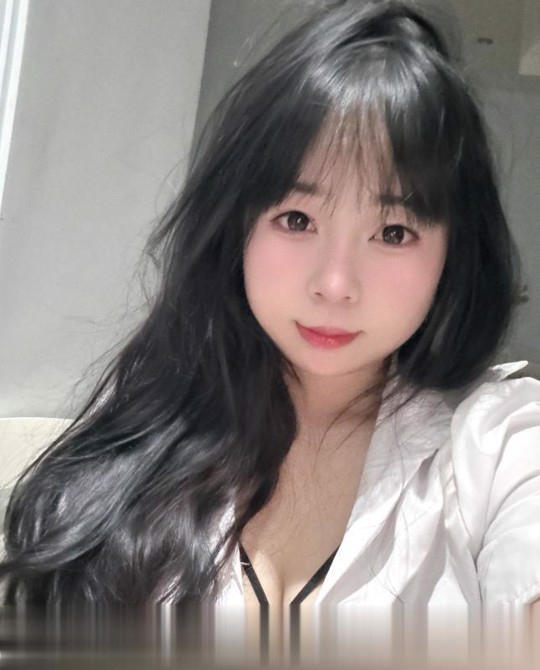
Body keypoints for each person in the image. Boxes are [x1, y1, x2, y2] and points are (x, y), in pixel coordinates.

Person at [1, 0, 539, 665]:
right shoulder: (141, 434)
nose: (335, 284)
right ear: (238, 225)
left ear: (453, 253)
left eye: (394, 232)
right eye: (297, 219)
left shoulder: (500, 444)